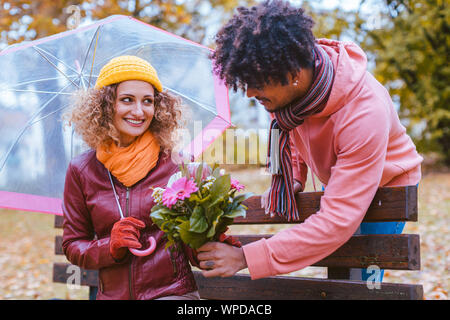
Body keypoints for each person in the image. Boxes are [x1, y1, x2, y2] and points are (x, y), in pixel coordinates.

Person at [196, 0, 423, 282]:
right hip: (343, 174)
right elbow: (290, 132)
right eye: (246, 81)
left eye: (257, 82)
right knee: (340, 270)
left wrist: (246, 257)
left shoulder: (364, 112)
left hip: (389, 185)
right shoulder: (287, 97)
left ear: (293, 75)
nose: (250, 92)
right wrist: (293, 176)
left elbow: (336, 223)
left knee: (360, 279)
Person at [61, 55, 200, 300]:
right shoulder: (82, 170)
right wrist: (109, 246)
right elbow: (74, 245)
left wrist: (210, 232)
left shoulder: (178, 165)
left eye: (147, 101)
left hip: (171, 294)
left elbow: (195, 246)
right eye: (127, 100)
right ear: (105, 105)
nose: (139, 111)